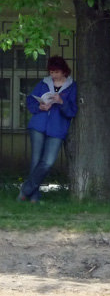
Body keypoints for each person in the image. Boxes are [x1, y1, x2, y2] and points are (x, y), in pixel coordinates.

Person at [17, 56, 78, 202]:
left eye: (56, 72)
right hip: (38, 125)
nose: (53, 75)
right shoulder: (44, 83)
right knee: (36, 160)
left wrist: (61, 101)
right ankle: (34, 196)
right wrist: (40, 106)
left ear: (64, 71)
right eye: (51, 72)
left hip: (57, 129)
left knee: (48, 162)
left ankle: (25, 189)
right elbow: (30, 100)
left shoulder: (72, 86)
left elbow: (72, 111)